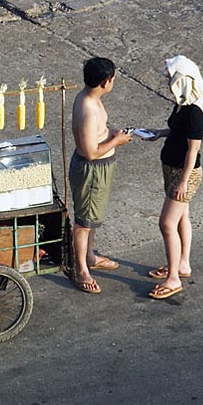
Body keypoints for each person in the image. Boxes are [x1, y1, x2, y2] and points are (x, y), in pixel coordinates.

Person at [144, 55, 203, 300]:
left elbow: (193, 150)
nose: (167, 82)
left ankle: (173, 278)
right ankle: (182, 264)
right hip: (172, 168)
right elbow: (178, 132)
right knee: (182, 216)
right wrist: (159, 133)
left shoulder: (195, 112)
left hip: (184, 173)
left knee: (166, 223)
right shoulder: (183, 104)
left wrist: (183, 182)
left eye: (171, 78)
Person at [68, 57, 133, 294]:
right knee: (84, 222)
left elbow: (97, 134)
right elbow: (90, 152)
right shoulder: (87, 108)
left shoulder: (91, 98)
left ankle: (90, 256)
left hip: (101, 170)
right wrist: (116, 140)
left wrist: (111, 133)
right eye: (113, 79)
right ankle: (81, 269)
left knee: (91, 218)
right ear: (106, 82)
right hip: (92, 172)